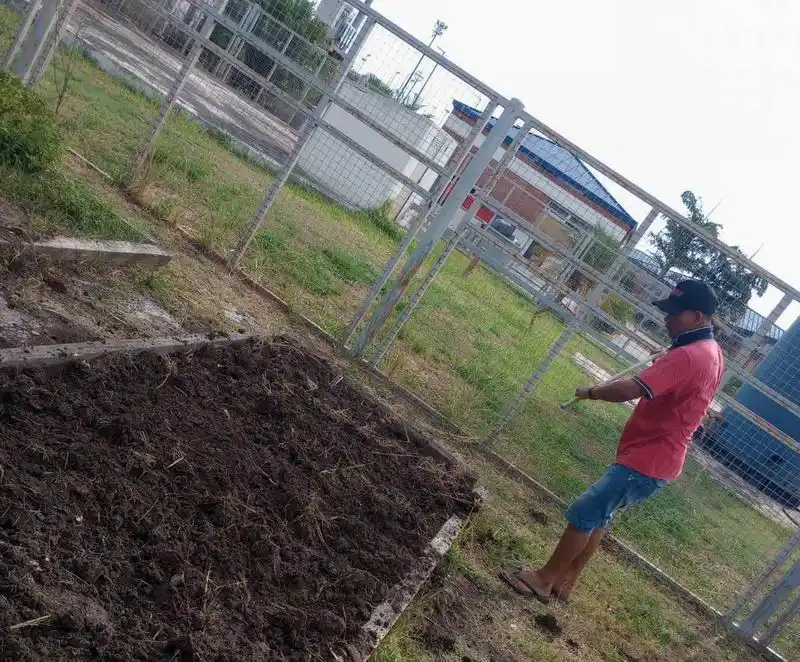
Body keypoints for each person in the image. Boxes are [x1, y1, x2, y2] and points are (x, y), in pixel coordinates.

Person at [499, 279, 724, 603]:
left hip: (649, 459)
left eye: (675, 312)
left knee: (586, 510)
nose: (666, 318)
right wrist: (666, 359)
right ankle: (564, 584)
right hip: (658, 459)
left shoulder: (689, 356)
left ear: (698, 316)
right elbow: (682, 379)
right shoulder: (710, 351)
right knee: (600, 516)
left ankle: (543, 580)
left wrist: (591, 392)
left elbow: (629, 390)